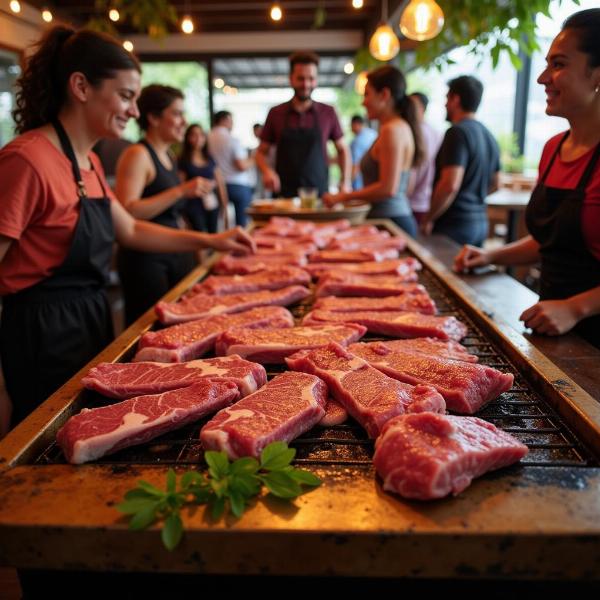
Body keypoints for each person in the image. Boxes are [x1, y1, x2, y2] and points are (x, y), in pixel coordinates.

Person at [0, 27, 254, 429]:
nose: (135, 111)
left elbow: (131, 230)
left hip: (91, 316)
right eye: (125, 96)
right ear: (81, 86)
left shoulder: (90, 163)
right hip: (40, 331)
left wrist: (214, 239)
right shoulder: (27, 160)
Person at [454, 8, 600, 346]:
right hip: (551, 326)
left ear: (596, 75)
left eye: (559, 64)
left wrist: (577, 308)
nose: (542, 78)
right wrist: (491, 255)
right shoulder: (553, 149)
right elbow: (552, 241)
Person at [115, 85, 215, 326]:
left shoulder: (168, 154)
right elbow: (128, 211)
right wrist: (181, 190)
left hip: (173, 251)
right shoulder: (138, 154)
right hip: (146, 260)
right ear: (153, 117)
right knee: (151, 330)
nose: (184, 121)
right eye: (177, 114)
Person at [322, 66, 424, 238]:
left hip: (390, 221)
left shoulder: (392, 130)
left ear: (384, 95)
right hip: (395, 217)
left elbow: (388, 189)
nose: (363, 102)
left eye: (367, 94)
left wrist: (343, 197)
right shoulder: (400, 127)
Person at [256, 51, 351, 198]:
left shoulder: (328, 112)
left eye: (311, 79)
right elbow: (260, 153)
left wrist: (345, 181)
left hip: (319, 195)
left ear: (316, 80)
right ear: (291, 79)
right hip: (283, 195)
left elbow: (343, 150)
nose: (306, 84)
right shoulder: (275, 113)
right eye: (300, 78)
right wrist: (267, 171)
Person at [422, 75, 500, 246]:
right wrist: (472, 198)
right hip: (479, 223)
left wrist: (428, 218)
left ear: (455, 99)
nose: (444, 104)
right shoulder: (489, 136)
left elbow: (450, 185)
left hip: (454, 225)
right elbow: (496, 183)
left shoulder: (457, 132)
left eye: (446, 98)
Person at [179, 123, 229, 234]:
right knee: (198, 234)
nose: (198, 139)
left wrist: (224, 207)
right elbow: (180, 187)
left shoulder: (210, 159)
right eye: (193, 135)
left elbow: (220, 184)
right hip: (193, 206)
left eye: (201, 135)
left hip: (212, 202)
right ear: (187, 138)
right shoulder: (183, 161)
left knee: (214, 233)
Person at [207, 110, 254, 227]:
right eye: (231, 120)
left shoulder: (207, 138)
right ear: (224, 120)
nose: (232, 123)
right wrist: (254, 159)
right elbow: (241, 166)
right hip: (237, 184)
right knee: (242, 223)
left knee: (217, 222)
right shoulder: (231, 139)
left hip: (215, 185)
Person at [407, 92, 442, 225]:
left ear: (421, 108)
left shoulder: (413, 133)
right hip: (426, 202)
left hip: (412, 203)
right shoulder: (437, 133)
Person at [349, 114, 377, 190]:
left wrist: (347, 183)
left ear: (356, 124)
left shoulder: (357, 142)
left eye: (351, 125)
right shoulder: (373, 134)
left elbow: (356, 165)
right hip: (374, 182)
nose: (350, 128)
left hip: (360, 183)